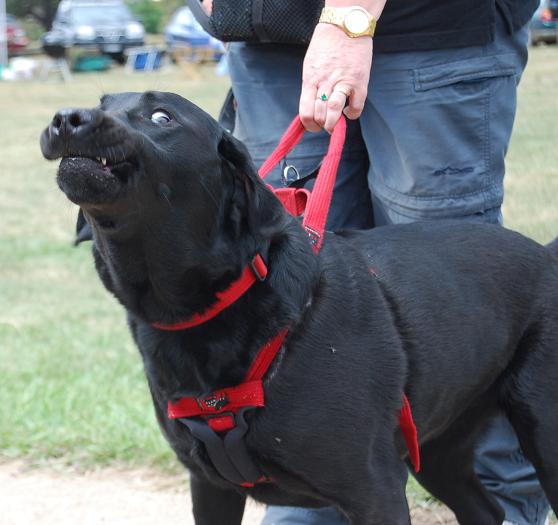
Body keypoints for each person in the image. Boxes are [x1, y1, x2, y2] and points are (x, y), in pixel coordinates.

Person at [201, 0, 553, 524]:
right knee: (298, 299)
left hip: (426, 30)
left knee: (462, 316)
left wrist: (350, 18)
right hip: (269, 39)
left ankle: (503, 512)